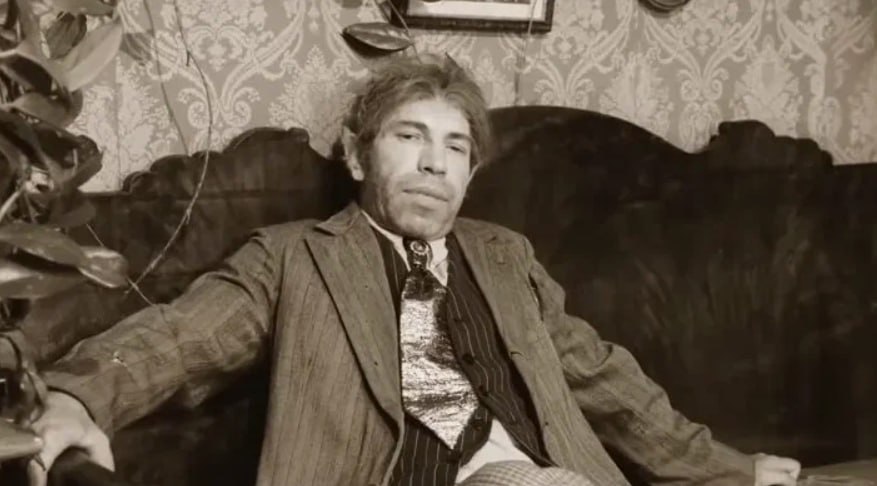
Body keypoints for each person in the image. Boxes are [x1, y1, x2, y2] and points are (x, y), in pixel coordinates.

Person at [27, 54, 801, 486]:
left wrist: (730, 470)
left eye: (455, 147)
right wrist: (72, 397)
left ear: (470, 171)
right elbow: (175, 340)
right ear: (357, 155)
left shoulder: (505, 255)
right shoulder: (293, 255)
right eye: (409, 137)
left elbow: (606, 380)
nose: (435, 164)